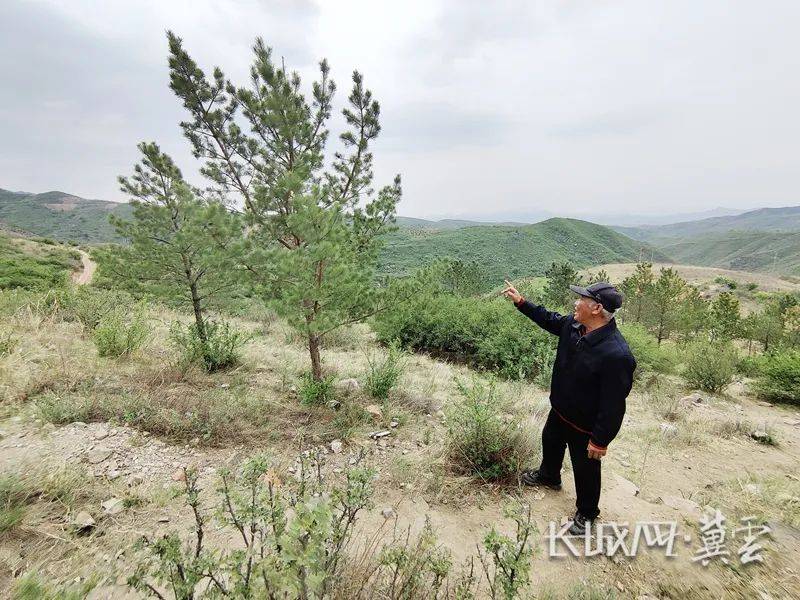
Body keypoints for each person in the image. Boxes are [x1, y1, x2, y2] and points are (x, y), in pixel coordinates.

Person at [502, 280, 636, 535]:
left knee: (585, 468)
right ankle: (549, 476)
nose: (576, 303)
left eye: (581, 300)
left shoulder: (616, 355)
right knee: (550, 441)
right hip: (561, 410)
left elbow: (614, 404)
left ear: (596, 308)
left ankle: (587, 513)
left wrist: (600, 440)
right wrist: (521, 302)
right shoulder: (575, 325)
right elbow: (548, 319)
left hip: (585, 426)